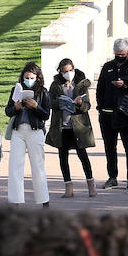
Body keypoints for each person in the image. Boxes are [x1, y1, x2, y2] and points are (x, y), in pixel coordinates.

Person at [95, 39, 128, 191]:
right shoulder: (108, 67)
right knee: (110, 148)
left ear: (127, 52)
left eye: (122, 55)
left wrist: (125, 85)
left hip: (127, 114)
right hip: (107, 115)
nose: (120, 57)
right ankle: (112, 177)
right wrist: (100, 107)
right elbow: (100, 88)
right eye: (117, 54)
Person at [46, 60, 95, 199]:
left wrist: (80, 103)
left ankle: (91, 184)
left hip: (78, 126)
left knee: (82, 155)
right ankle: (68, 187)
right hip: (62, 126)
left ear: (74, 69)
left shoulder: (81, 84)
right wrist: (59, 102)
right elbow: (49, 102)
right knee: (63, 156)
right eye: (65, 71)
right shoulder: (56, 85)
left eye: (70, 70)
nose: (68, 73)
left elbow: (87, 106)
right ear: (60, 72)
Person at [4, 62, 51, 206]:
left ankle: (44, 200)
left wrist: (36, 106)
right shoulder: (16, 90)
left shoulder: (43, 92)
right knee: (15, 166)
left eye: (31, 78)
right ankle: (15, 201)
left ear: (37, 78)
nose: (28, 80)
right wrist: (16, 107)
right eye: (26, 78)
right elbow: (8, 111)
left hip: (35, 131)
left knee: (38, 166)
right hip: (18, 131)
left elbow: (46, 115)